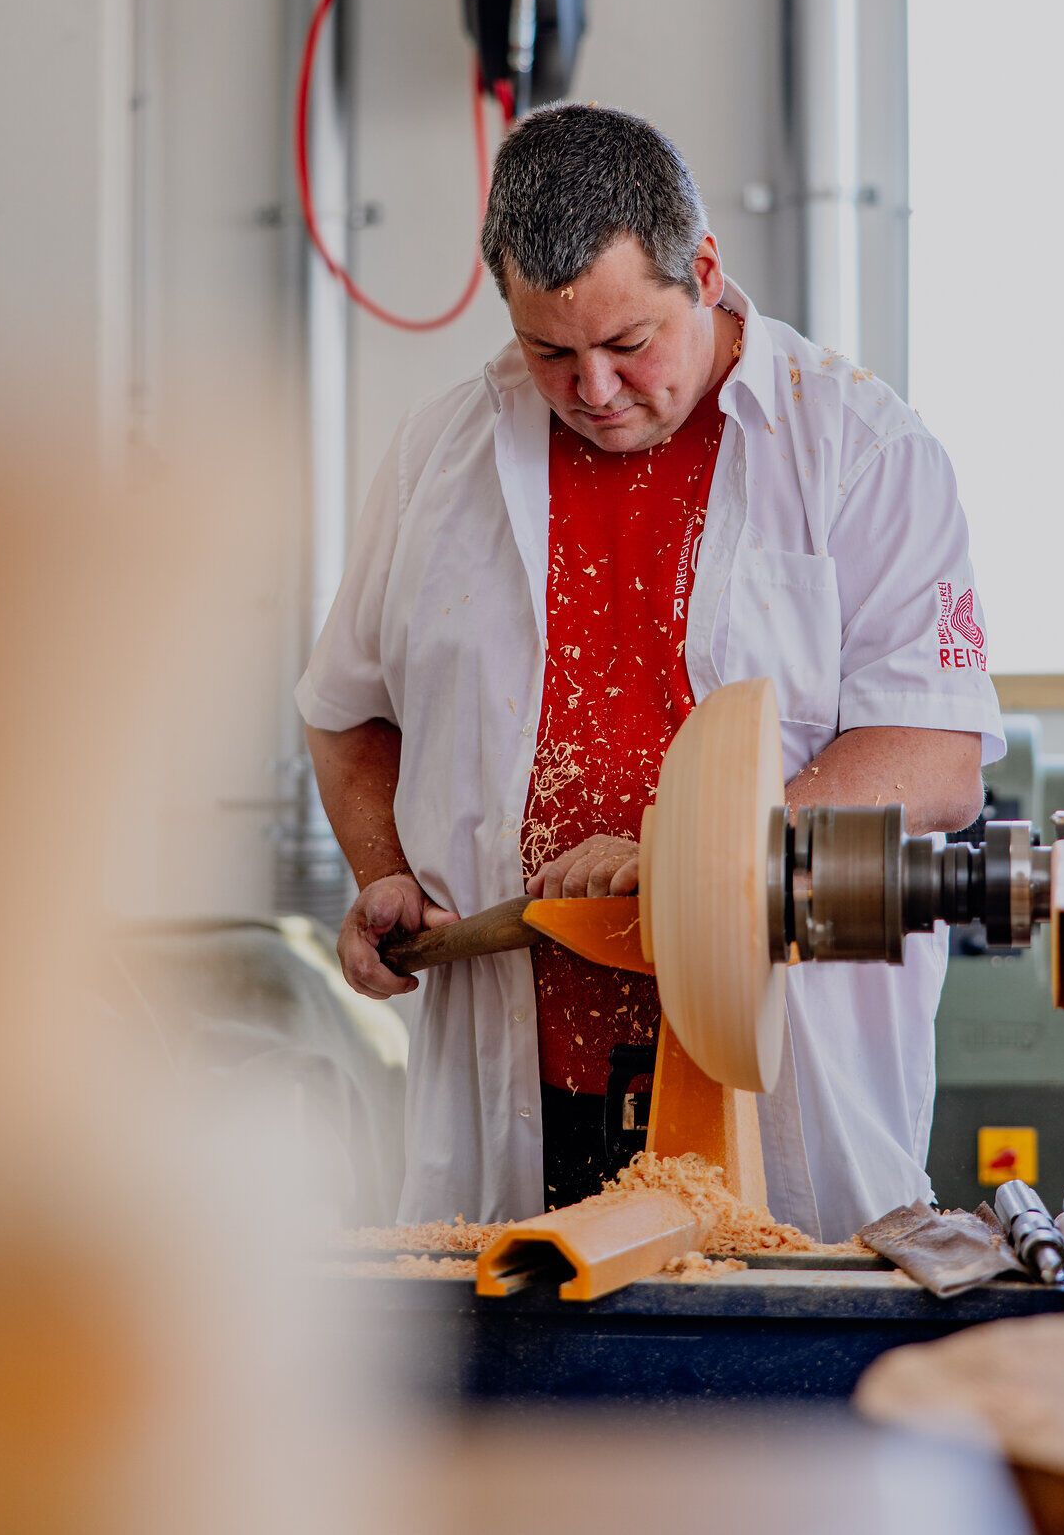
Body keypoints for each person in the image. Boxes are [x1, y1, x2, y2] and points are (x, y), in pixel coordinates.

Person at [297, 104, 1003, 1239]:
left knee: (774, 1394)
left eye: (631, 343)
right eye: (549, 352)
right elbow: (345, 718)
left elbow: (934, 754)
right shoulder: (441, 458)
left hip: (780, 1092)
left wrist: (695, 853)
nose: (594, 388)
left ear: (707, 273)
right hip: (520, 1095)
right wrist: (387, 870)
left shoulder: (860, 450)